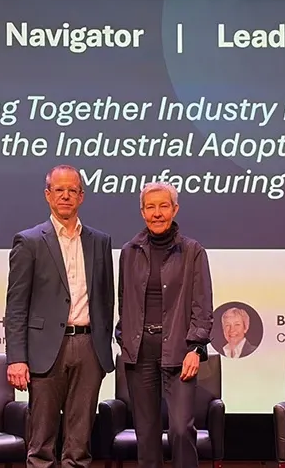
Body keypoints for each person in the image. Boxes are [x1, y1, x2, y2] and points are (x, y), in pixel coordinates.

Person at [4, 165, 115, 468]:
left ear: (81, 196)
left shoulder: (100, 241)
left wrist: (104, 345)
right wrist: (17, 358)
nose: (65, 196)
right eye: (59, 190)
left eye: (72, 190)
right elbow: (16, 305)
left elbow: (106, 298)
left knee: (79, 445)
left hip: (89, 348)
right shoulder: (29, 241)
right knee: (41, 442)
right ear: (48, 195)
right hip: (45, 350)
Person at [116, 181, 214, 468]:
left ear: (175, 209)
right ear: (142, 212)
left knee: (181, 430)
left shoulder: (193, 251)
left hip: (180, 352)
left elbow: (202, 305)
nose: (157, 213)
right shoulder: (130, 251)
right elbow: (124, 302)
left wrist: (196, 349)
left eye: (163, 206)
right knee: (146, 435)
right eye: (150, 207)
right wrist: (125, 339)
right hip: (140, 353)